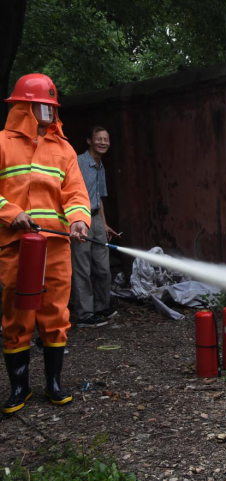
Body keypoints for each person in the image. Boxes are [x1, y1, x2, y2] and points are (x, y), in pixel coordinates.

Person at [0, 73, 91, 413]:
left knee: (55, 314)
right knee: (18, 315)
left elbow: (76, 192)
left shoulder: (63, 149)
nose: (50, 112)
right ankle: (19, 388)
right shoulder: (2, 143)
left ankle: (54, 383)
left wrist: (79, 220)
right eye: (43, 105)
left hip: (55, 245)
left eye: (52, 106)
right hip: (17, 246)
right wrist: (12, 213)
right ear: (25, 107)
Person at [71, 126, 119, 327]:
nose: (103, 143)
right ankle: (84, 314)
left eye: (106, 139)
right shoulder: (78, 162)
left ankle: (101, 306)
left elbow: (99, 198)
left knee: (103, 267)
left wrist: (104, 223)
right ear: (89, 141)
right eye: (99, 139)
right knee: (82, 267)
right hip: (80, 219)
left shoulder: (101, 165)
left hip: (96, 218)